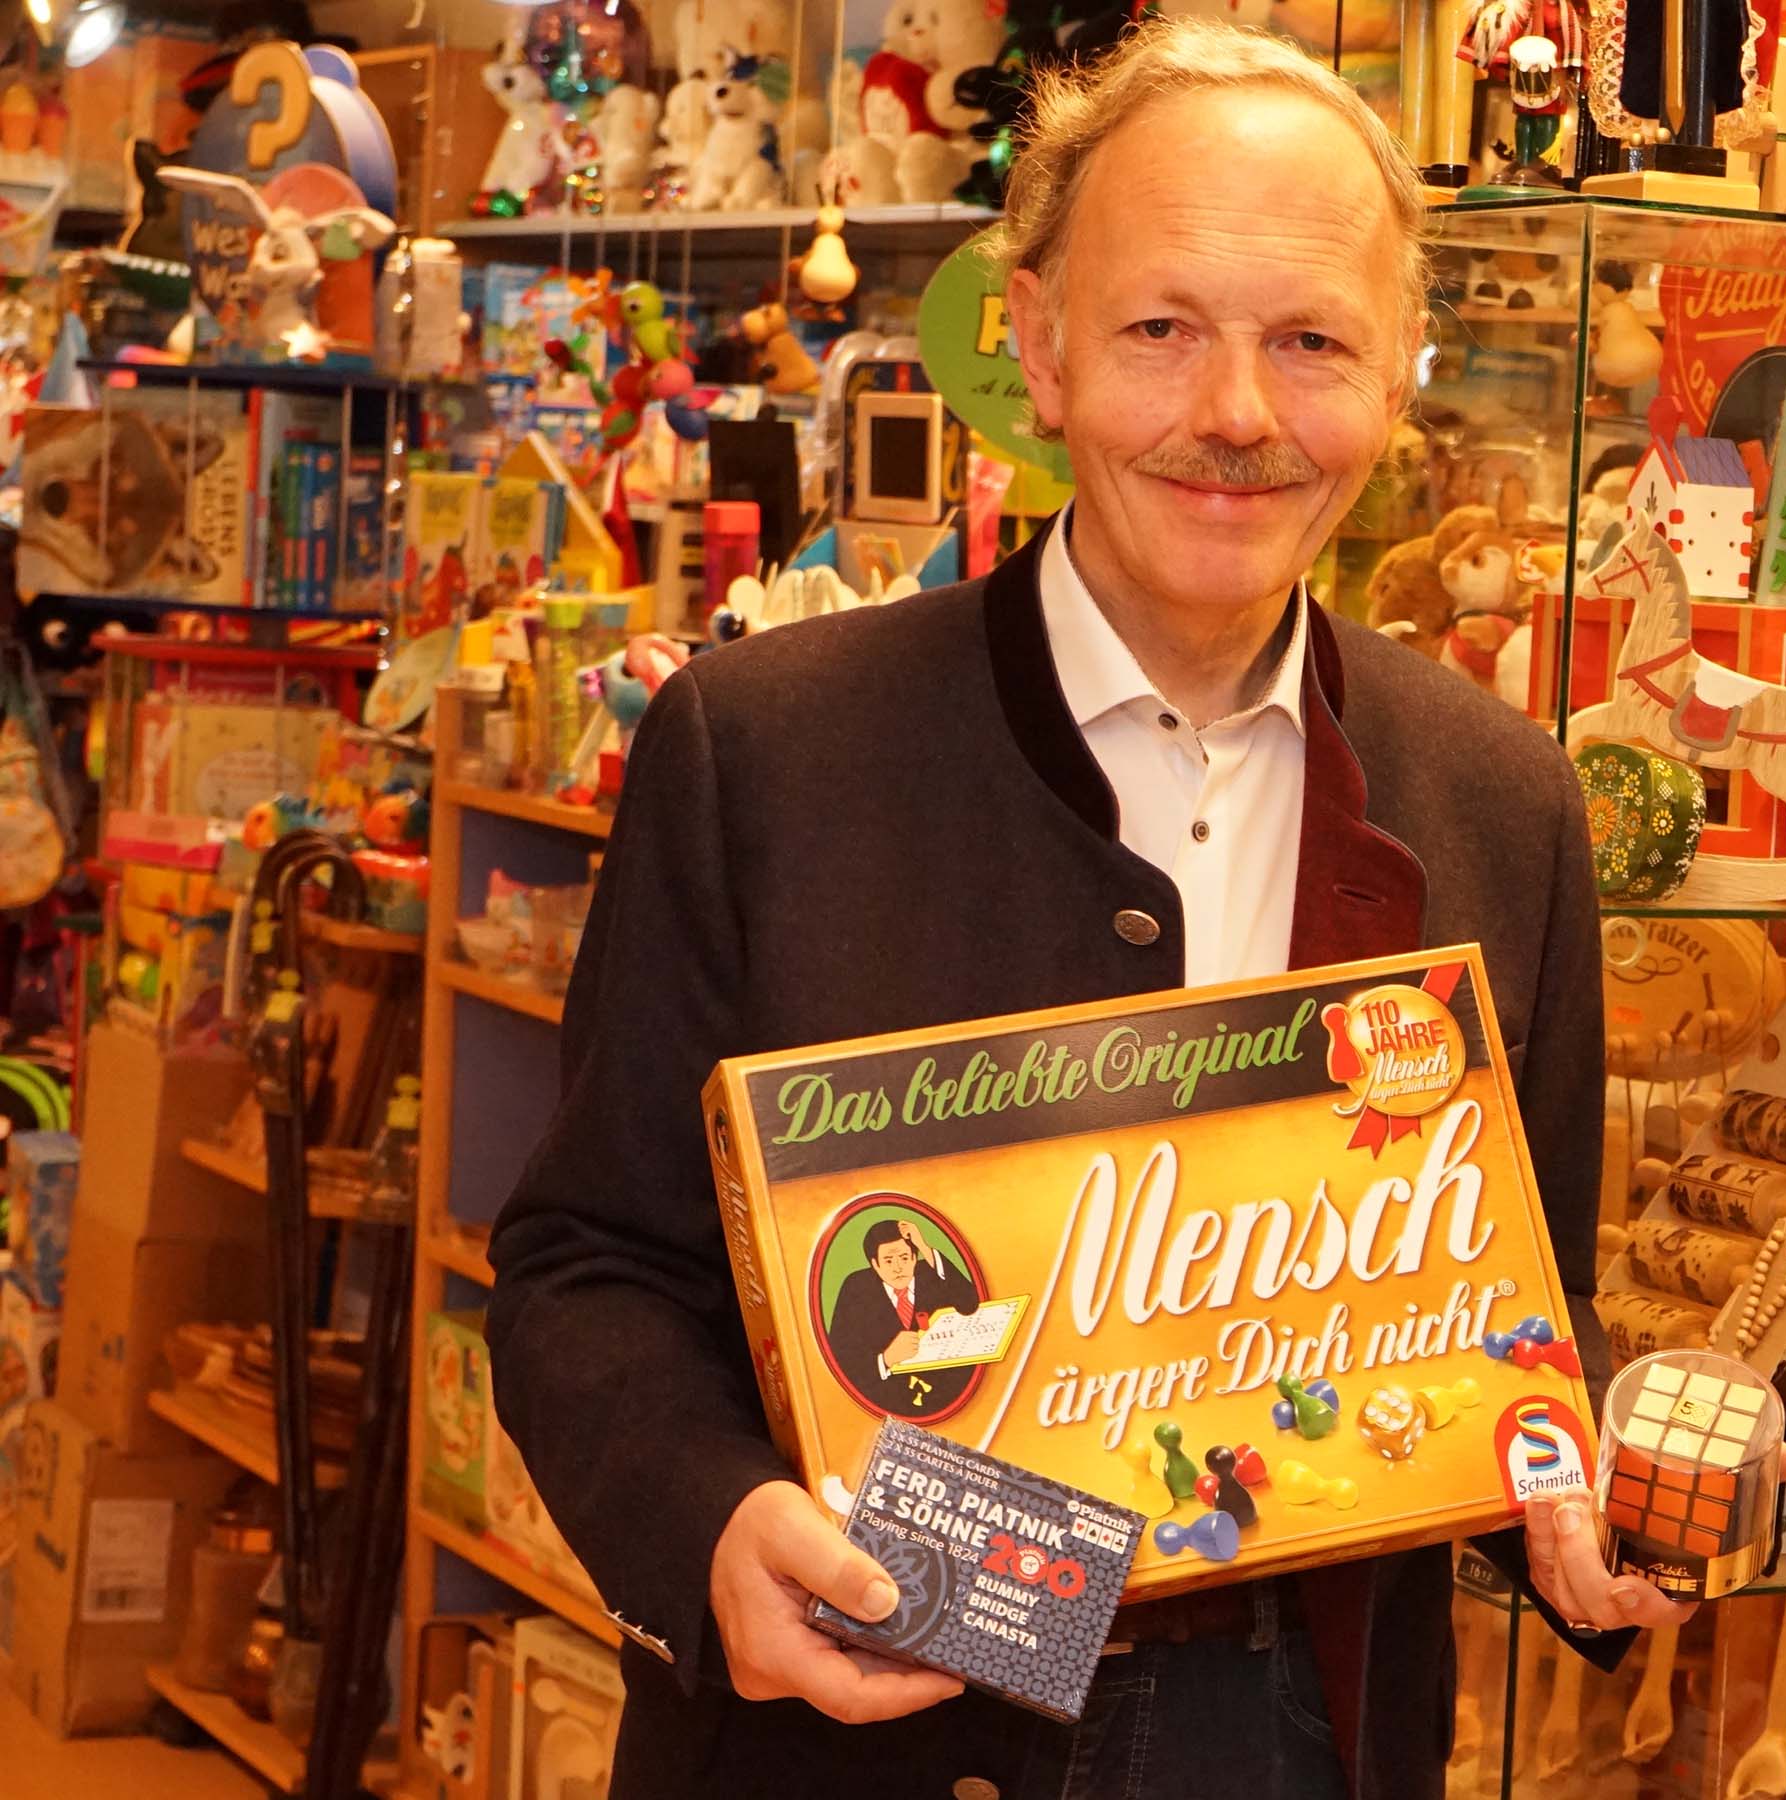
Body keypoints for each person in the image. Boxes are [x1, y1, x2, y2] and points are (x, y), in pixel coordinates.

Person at [485, 20, 1710, 1796]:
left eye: (1311, 344)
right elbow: (586, 1269)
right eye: (1162, 330)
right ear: (1042, 350)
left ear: (1399, 381)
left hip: (1306, 1726)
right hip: (868, 1732)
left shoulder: (1502, 801)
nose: (1236, 414)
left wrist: (1583, 1494)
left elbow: (1518, 1307)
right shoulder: (764, 752)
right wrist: (714, 1521)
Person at [820, 1217, 980, 1418]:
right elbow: (839, 1358)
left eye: (904, 1258)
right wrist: (886, 1359)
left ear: (915, 1258)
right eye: (888, 1261)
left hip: (946, 1396)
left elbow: (971, 1304)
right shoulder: (856, 1287)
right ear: (875, 1265)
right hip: (887, 1403)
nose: (898, 1267)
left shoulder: (931, 1274)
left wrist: (923, 1245)